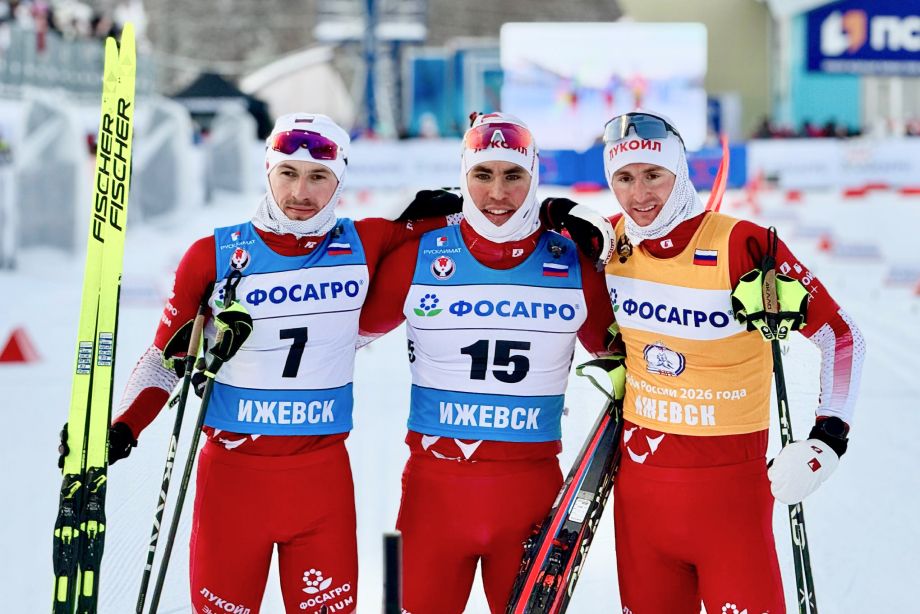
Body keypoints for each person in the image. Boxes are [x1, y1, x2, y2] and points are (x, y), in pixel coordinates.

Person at [76, 113, 458, 614]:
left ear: (340, 180)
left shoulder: (368, 241)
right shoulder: (213, 257)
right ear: (268, 171)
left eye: (318, 177)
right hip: (233, 484)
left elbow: (489, 211)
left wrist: (543, 213)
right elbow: (164, 360)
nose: (301, 192)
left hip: (321, 482)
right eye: (288, 173)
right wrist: (121, 429)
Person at [544, 111, 865, 612]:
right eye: (623, 179)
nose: (639, 194)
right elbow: (508, 228)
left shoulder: (743, 244)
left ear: (680, 171)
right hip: (642, 501)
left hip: (732, 503)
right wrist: (552, 213)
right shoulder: (609, 244)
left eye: (653, 175)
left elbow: (842, 338)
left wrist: (827, 440)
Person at [357, 112, 621, 614]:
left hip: (530, 495)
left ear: (534, 176)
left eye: (513, 175)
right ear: (463, 176)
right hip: (433, 496)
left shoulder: (572, 261)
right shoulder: (419, 255)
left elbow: (631, 355)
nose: (497, 193)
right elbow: (331, 334)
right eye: (483, 174)